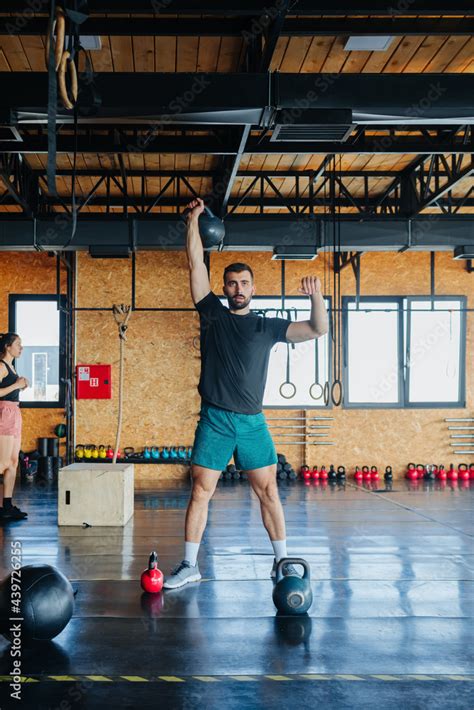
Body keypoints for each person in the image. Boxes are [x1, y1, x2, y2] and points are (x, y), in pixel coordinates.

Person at [164, 198, 329, 589]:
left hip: (253, 423)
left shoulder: (267, 327)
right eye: (231, 283)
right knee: (201, 490)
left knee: (268, 491)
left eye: (243, 284)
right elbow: (195, 264)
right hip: (216, 419)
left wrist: (317, 296)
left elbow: (318, 329)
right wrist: (192, 221)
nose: (237, 289)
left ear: (253, 288)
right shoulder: (212, 315)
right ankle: (190, 564)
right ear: (224, 288)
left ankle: (283, 560)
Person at [0, 333, 28, 522]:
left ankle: (7, 506)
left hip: (14, 413)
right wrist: (16, 384)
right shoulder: (1, 366)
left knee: (13, 462)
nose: (21, 347)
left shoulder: (11, 367)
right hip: (3, 412)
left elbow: (10, 388)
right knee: (2, 463)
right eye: (18, 344)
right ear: (7, 347)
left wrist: (21, 385)